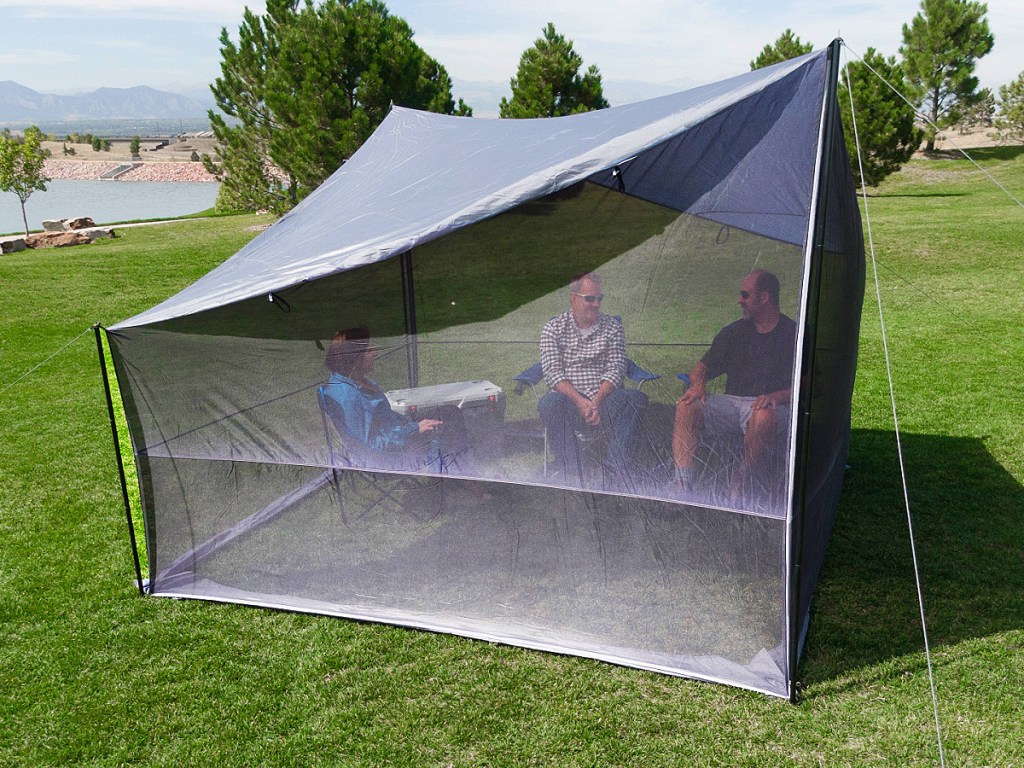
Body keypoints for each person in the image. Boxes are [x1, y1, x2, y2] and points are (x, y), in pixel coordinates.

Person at [671, 270, 796, 500]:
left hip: (772, 408)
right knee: (686, 406)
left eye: (745, 295)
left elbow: (811, 384)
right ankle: (682, 483)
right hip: (730, 404)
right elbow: (699, 370)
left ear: (764, 297)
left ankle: (741, 478)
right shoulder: (735, 332)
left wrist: (777, 397)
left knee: (763, 415)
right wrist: (698, 385)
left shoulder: (793, 334)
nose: (739, 300)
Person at [538, 272, 647, 485]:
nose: (596, 304)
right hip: (569, 404)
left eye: (599, 298)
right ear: (573, 298)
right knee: (548, 403)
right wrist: (581, 402)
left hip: (604, 402)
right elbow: (553, 373)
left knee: (635, 399)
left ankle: (615, 468)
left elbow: (616, 368)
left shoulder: (612, 327)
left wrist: (595, 402)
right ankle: (571, 468)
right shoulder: (553, 329)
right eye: (590, 298)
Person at [322, 327, 473, 473]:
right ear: (354, 357)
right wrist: (414, 429)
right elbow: (373, 444)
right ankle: (457, 482)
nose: (375, 353)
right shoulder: (348, 396)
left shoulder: (356, 381)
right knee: (447, 427)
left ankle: (458, 479)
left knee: (448, 412)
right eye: (369, 350)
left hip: (398, 434)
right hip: (388, 457)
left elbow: (386, 420)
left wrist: (413, 424)